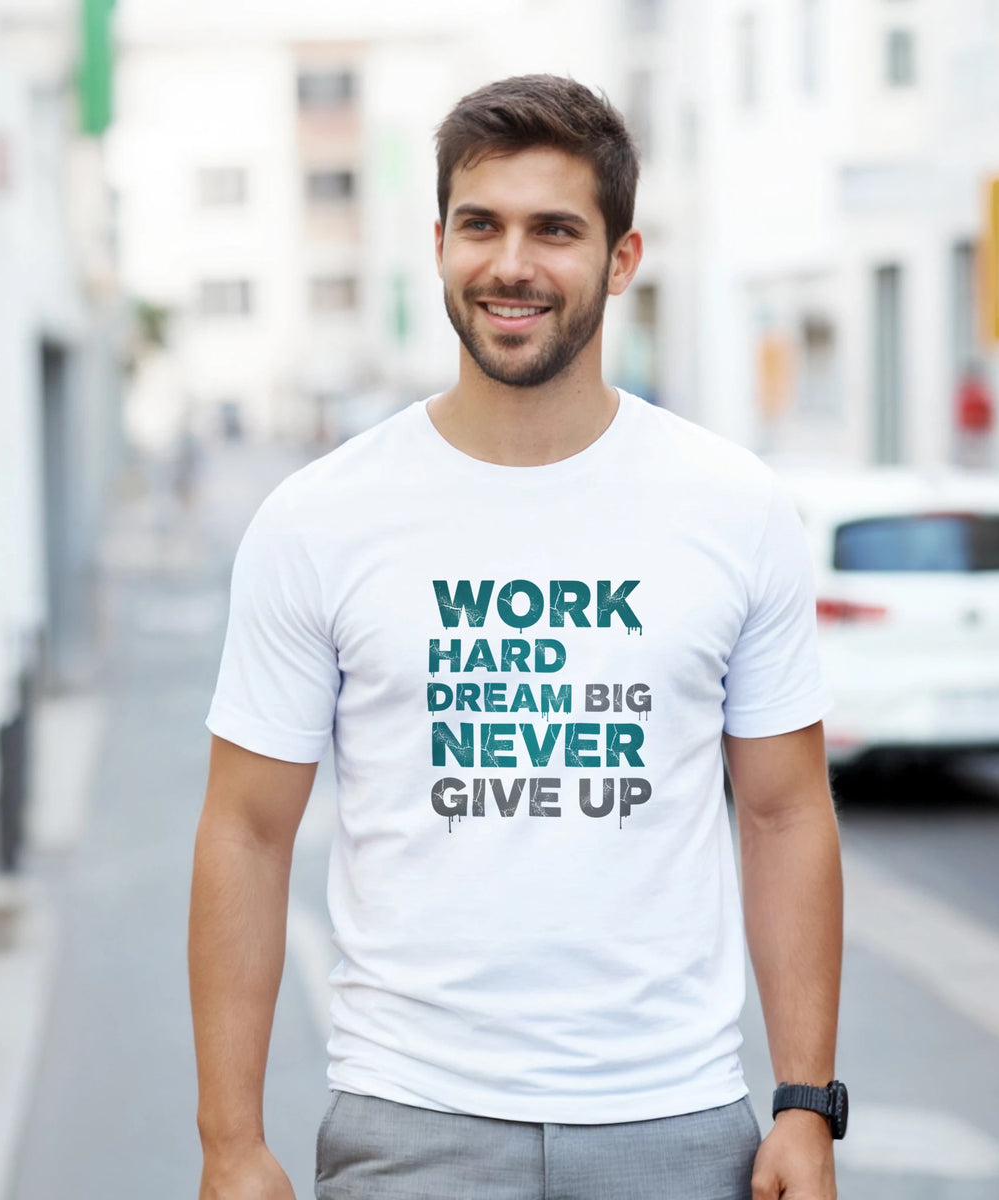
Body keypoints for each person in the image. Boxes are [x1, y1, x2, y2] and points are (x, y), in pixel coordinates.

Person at [190, 75, 844, 1200]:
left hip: (675, 1118)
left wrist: (805, 1103)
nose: (512, 265)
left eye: (556, 229)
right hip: (412, 1120)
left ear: (622, 258)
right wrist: (230, 1143)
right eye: (481, 225)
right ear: (438, 242)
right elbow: (246, 833)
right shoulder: (320, 517)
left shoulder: (733, 506)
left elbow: (784, 810)